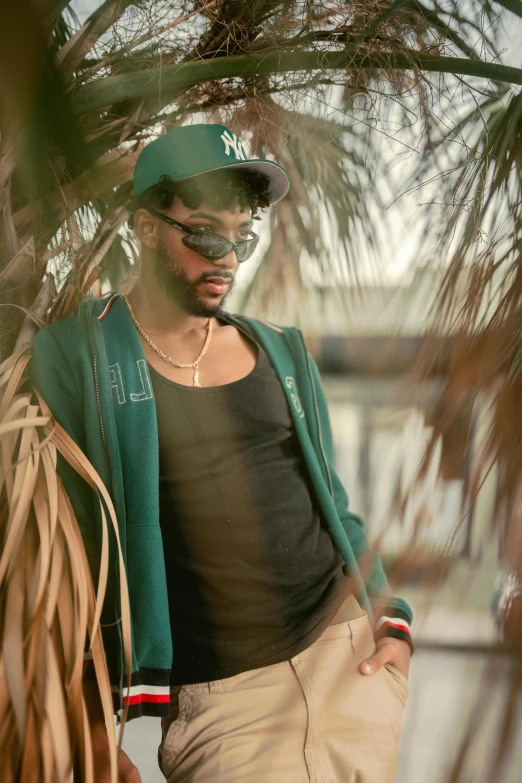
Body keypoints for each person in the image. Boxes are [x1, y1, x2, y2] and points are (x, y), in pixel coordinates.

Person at [32, 123, 413, 783]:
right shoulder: (81, 356)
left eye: (242, 238)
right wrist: (90, 730)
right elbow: (59, 560)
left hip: (349, 667)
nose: (228, 258)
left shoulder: (281, 349)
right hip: (226, 707)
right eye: (204, 233)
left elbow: (335, 508)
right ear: (146, 227)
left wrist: (393, 622)